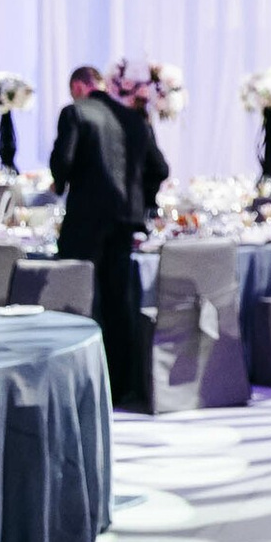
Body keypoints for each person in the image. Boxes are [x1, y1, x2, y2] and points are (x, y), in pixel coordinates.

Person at [49, 64, 168, 401]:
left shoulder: (75, 112)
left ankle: (81, 381)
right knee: (119, 299)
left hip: (85, 221)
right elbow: (160, 168)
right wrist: (144, 204)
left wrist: (60, 183)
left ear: (78, 86)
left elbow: (63, 161)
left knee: (76, 295)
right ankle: (121, 384)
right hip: (125, 222)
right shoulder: (134, 118)